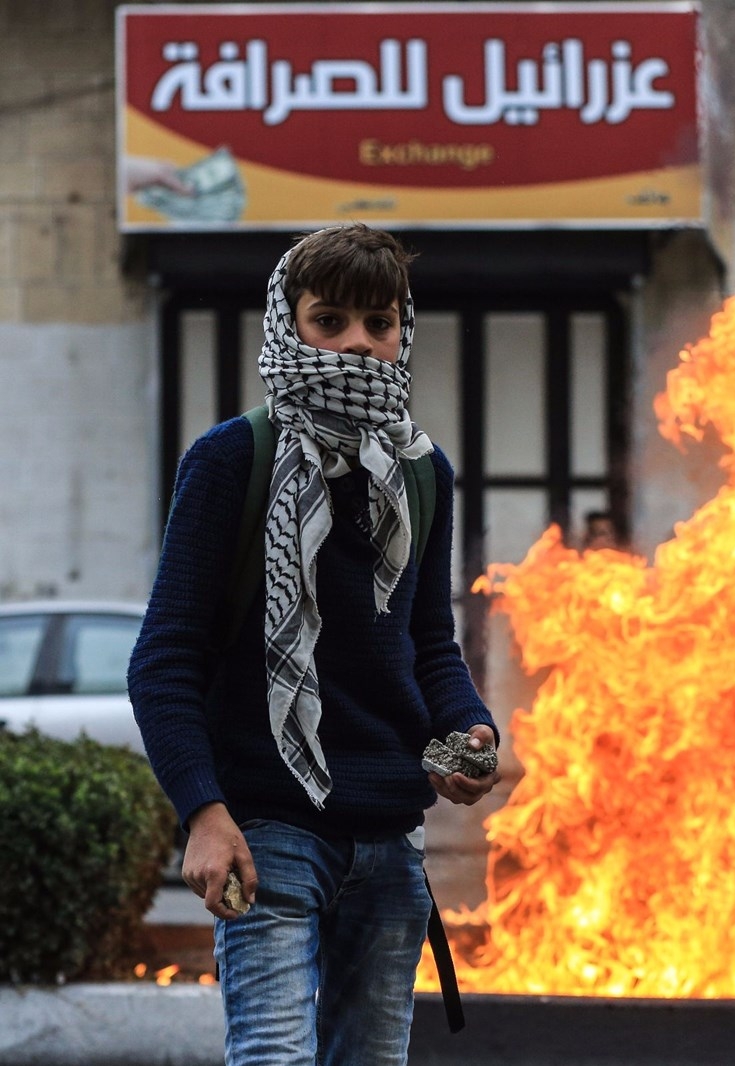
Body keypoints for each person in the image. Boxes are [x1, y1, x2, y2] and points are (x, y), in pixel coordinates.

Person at [128, 224, 501, 1066]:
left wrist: (470, 731)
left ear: (405, 330)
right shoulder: (231, 460)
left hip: (389, 842)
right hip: (267, 837)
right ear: (284, 324)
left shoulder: (421, 472)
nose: (357, 345)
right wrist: (204, 812)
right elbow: (164, 661)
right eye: (327, 320)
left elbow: (428, 644)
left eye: (379, 323)